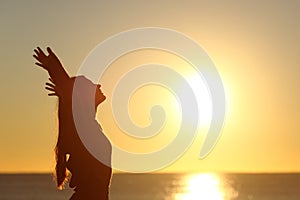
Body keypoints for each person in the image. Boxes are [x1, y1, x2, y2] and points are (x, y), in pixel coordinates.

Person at [33, 47, 112, 199]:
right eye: (91, 85)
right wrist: (54, 67)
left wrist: (56, 71)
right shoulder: (86, 131)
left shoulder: (89, 129)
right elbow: (75, 101)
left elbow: (74, 99)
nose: (99, 86)